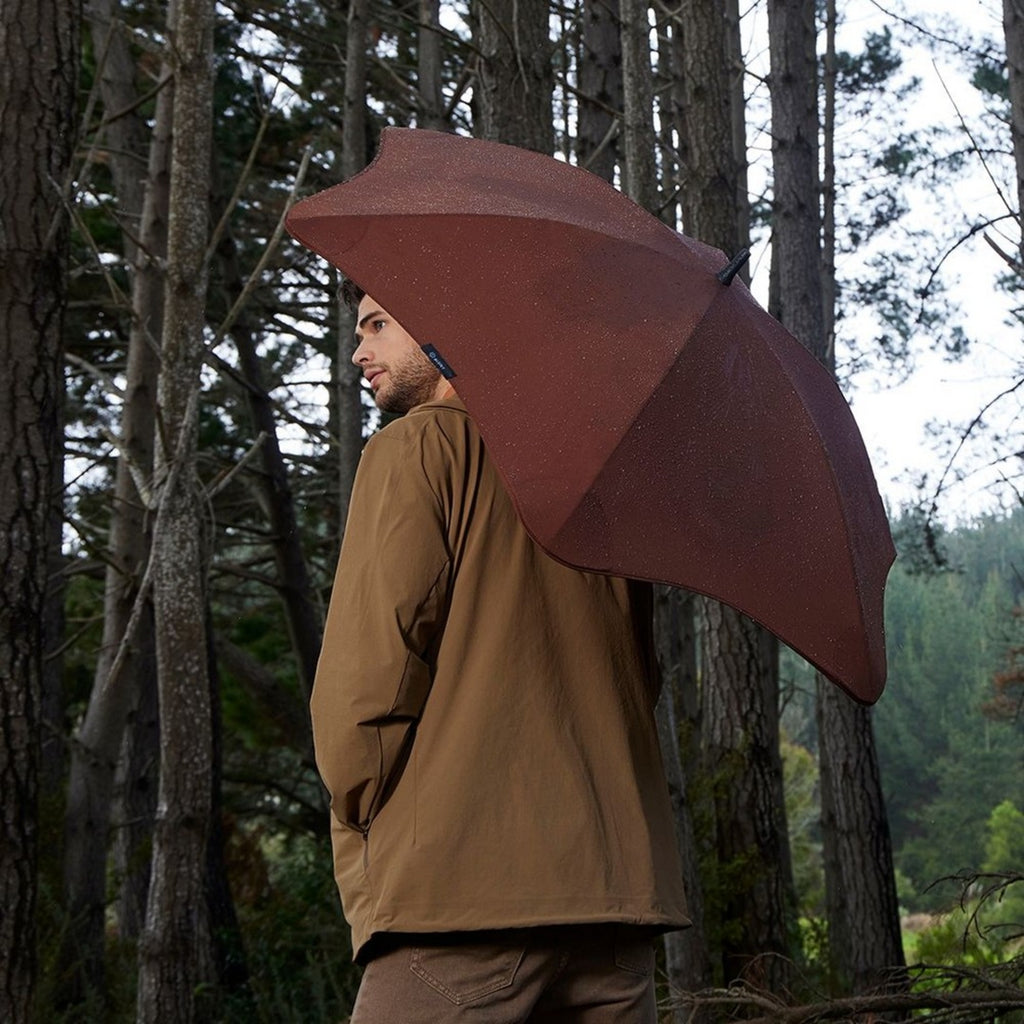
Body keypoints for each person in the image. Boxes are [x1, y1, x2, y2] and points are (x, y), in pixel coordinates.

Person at [311, 284, 689, 1023]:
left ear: (444, 321)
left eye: (377, 324)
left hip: (465, 892)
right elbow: (636, 678)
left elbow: (365, 685)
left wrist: (362, 822)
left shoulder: (418, 447)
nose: (358, 351)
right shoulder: (594, 477)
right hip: (616, 908)